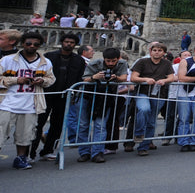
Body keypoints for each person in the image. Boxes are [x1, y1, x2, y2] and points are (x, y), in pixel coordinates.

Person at [0, 31, 56, 169]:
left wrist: (42, 80)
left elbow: (51, 79)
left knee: (25, 134)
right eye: (28, 43)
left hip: (31, 104)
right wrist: (16, 80)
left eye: (36, 44)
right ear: (22, 44)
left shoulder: (45, 62)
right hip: (7, 103)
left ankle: (21, 158)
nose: (32, 46)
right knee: (1, 133)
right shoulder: (7, 60)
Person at [31, 33, 86, 161]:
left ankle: (48, 150)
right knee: (38, 124)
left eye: (71, 42)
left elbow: (79, 78)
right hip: (47, 94)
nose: (69, 44)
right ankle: (31, 152)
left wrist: (74, 93)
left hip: (64, 96)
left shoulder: (79, 60)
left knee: (57, 125)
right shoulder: (49, 56)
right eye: (67, 42)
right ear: (62, 42)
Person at [77, 47, 128, 163]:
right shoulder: (94, 64)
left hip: (106, 97)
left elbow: (124, 78)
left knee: (101, 125)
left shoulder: (122, 64)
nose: (110, 64)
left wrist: (116, 78)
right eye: (108, 61)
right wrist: (94, 77)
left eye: (113, 61)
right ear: (103, 59)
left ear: (118, 59)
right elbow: (83, 80)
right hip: (89, 96)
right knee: (84, 125)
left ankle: (97, 152)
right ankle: (84, 152)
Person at [130, 42, 176, 156]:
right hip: (143, 92)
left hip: (159, 94)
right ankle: (139, 133)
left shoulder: (166, 63)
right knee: (144, 109)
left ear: (164, 53)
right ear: (150, 51)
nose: (157, 52)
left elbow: (171, 77)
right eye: (155, 50)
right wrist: (145, 79)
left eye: (160, 51)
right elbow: (133, 77)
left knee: (151, 121)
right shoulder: (142, 62)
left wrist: (164, 81)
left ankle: (144, 146)